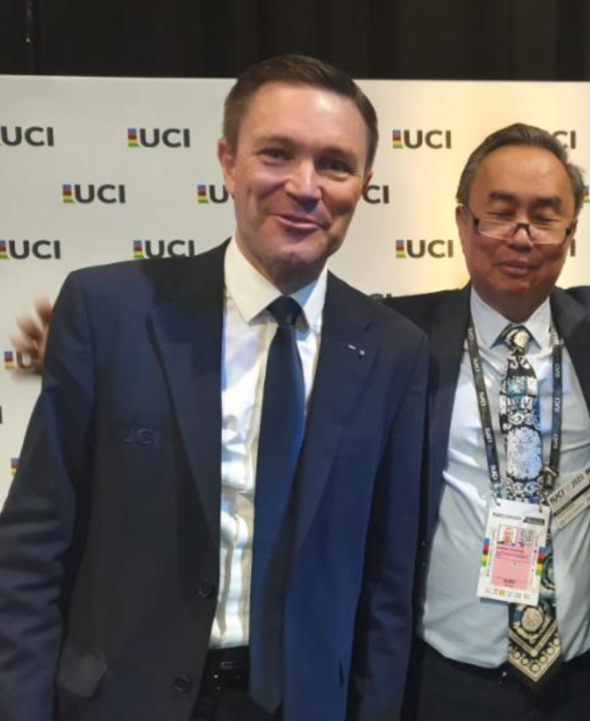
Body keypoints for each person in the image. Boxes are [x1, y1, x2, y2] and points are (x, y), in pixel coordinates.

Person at [0, 55, 428, 721]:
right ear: (228, 162)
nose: (305, 185)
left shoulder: (395, 349)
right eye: (277, 154)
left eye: (335, 164)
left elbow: (388, 589)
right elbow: (30, 554)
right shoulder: (109, 311)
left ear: (364, 183)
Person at [386, 123, 590, 721]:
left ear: (571, 234)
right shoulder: (401, 339)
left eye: (546, 217)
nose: (522, 237)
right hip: (445, 684)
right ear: (464, 222)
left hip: (584, 683)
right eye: (500, 214)